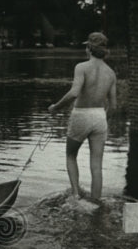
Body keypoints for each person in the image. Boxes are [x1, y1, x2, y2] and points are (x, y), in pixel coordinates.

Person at [47, 32, 117, 206]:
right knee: (97, 166)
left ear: (89, 49)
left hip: (82, 114)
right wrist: (103, 119)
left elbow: (74, 93)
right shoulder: (111, 73)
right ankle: (96, 204)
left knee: (71, 155)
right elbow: (114, 106)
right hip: (100, 116)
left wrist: (56, 107)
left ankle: (76, 197)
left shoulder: (82, 67)